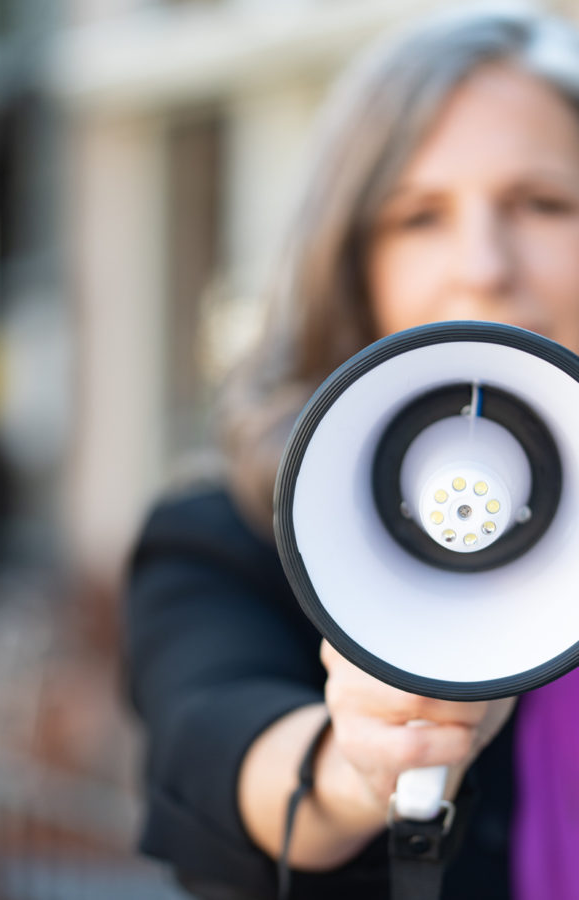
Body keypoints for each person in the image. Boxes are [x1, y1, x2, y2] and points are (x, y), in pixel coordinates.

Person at [125, 6, 579, 899]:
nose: (483, 265)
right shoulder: (224, 540)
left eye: (543, 204)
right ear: (349, 260)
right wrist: (357, 766)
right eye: (419, 216)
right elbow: (213, 742)